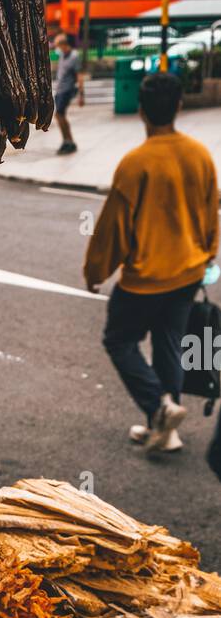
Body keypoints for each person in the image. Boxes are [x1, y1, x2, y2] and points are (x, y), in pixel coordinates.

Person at [84, 71, 219, 455]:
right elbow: (212, 213)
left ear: (141, 112)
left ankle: (159, 407)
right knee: (169, 345)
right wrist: (208, 253)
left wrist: (96, 272)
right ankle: (166, 429)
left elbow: (113, 230)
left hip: (146, 280)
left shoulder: (136, 163)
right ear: (179, 106)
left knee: (119, 340)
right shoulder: (200, 155)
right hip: (188, 272)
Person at [53, 33, 83, 155]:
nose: (57, 48)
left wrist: (81, 95)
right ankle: (69, 141)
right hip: (60, 89)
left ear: (64, 45)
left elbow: (79, 76)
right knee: (61, 116)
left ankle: (68, 141)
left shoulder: (74, 57)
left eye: (58, 46)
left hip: (67, 90)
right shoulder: (62, 55)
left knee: (59, 115)